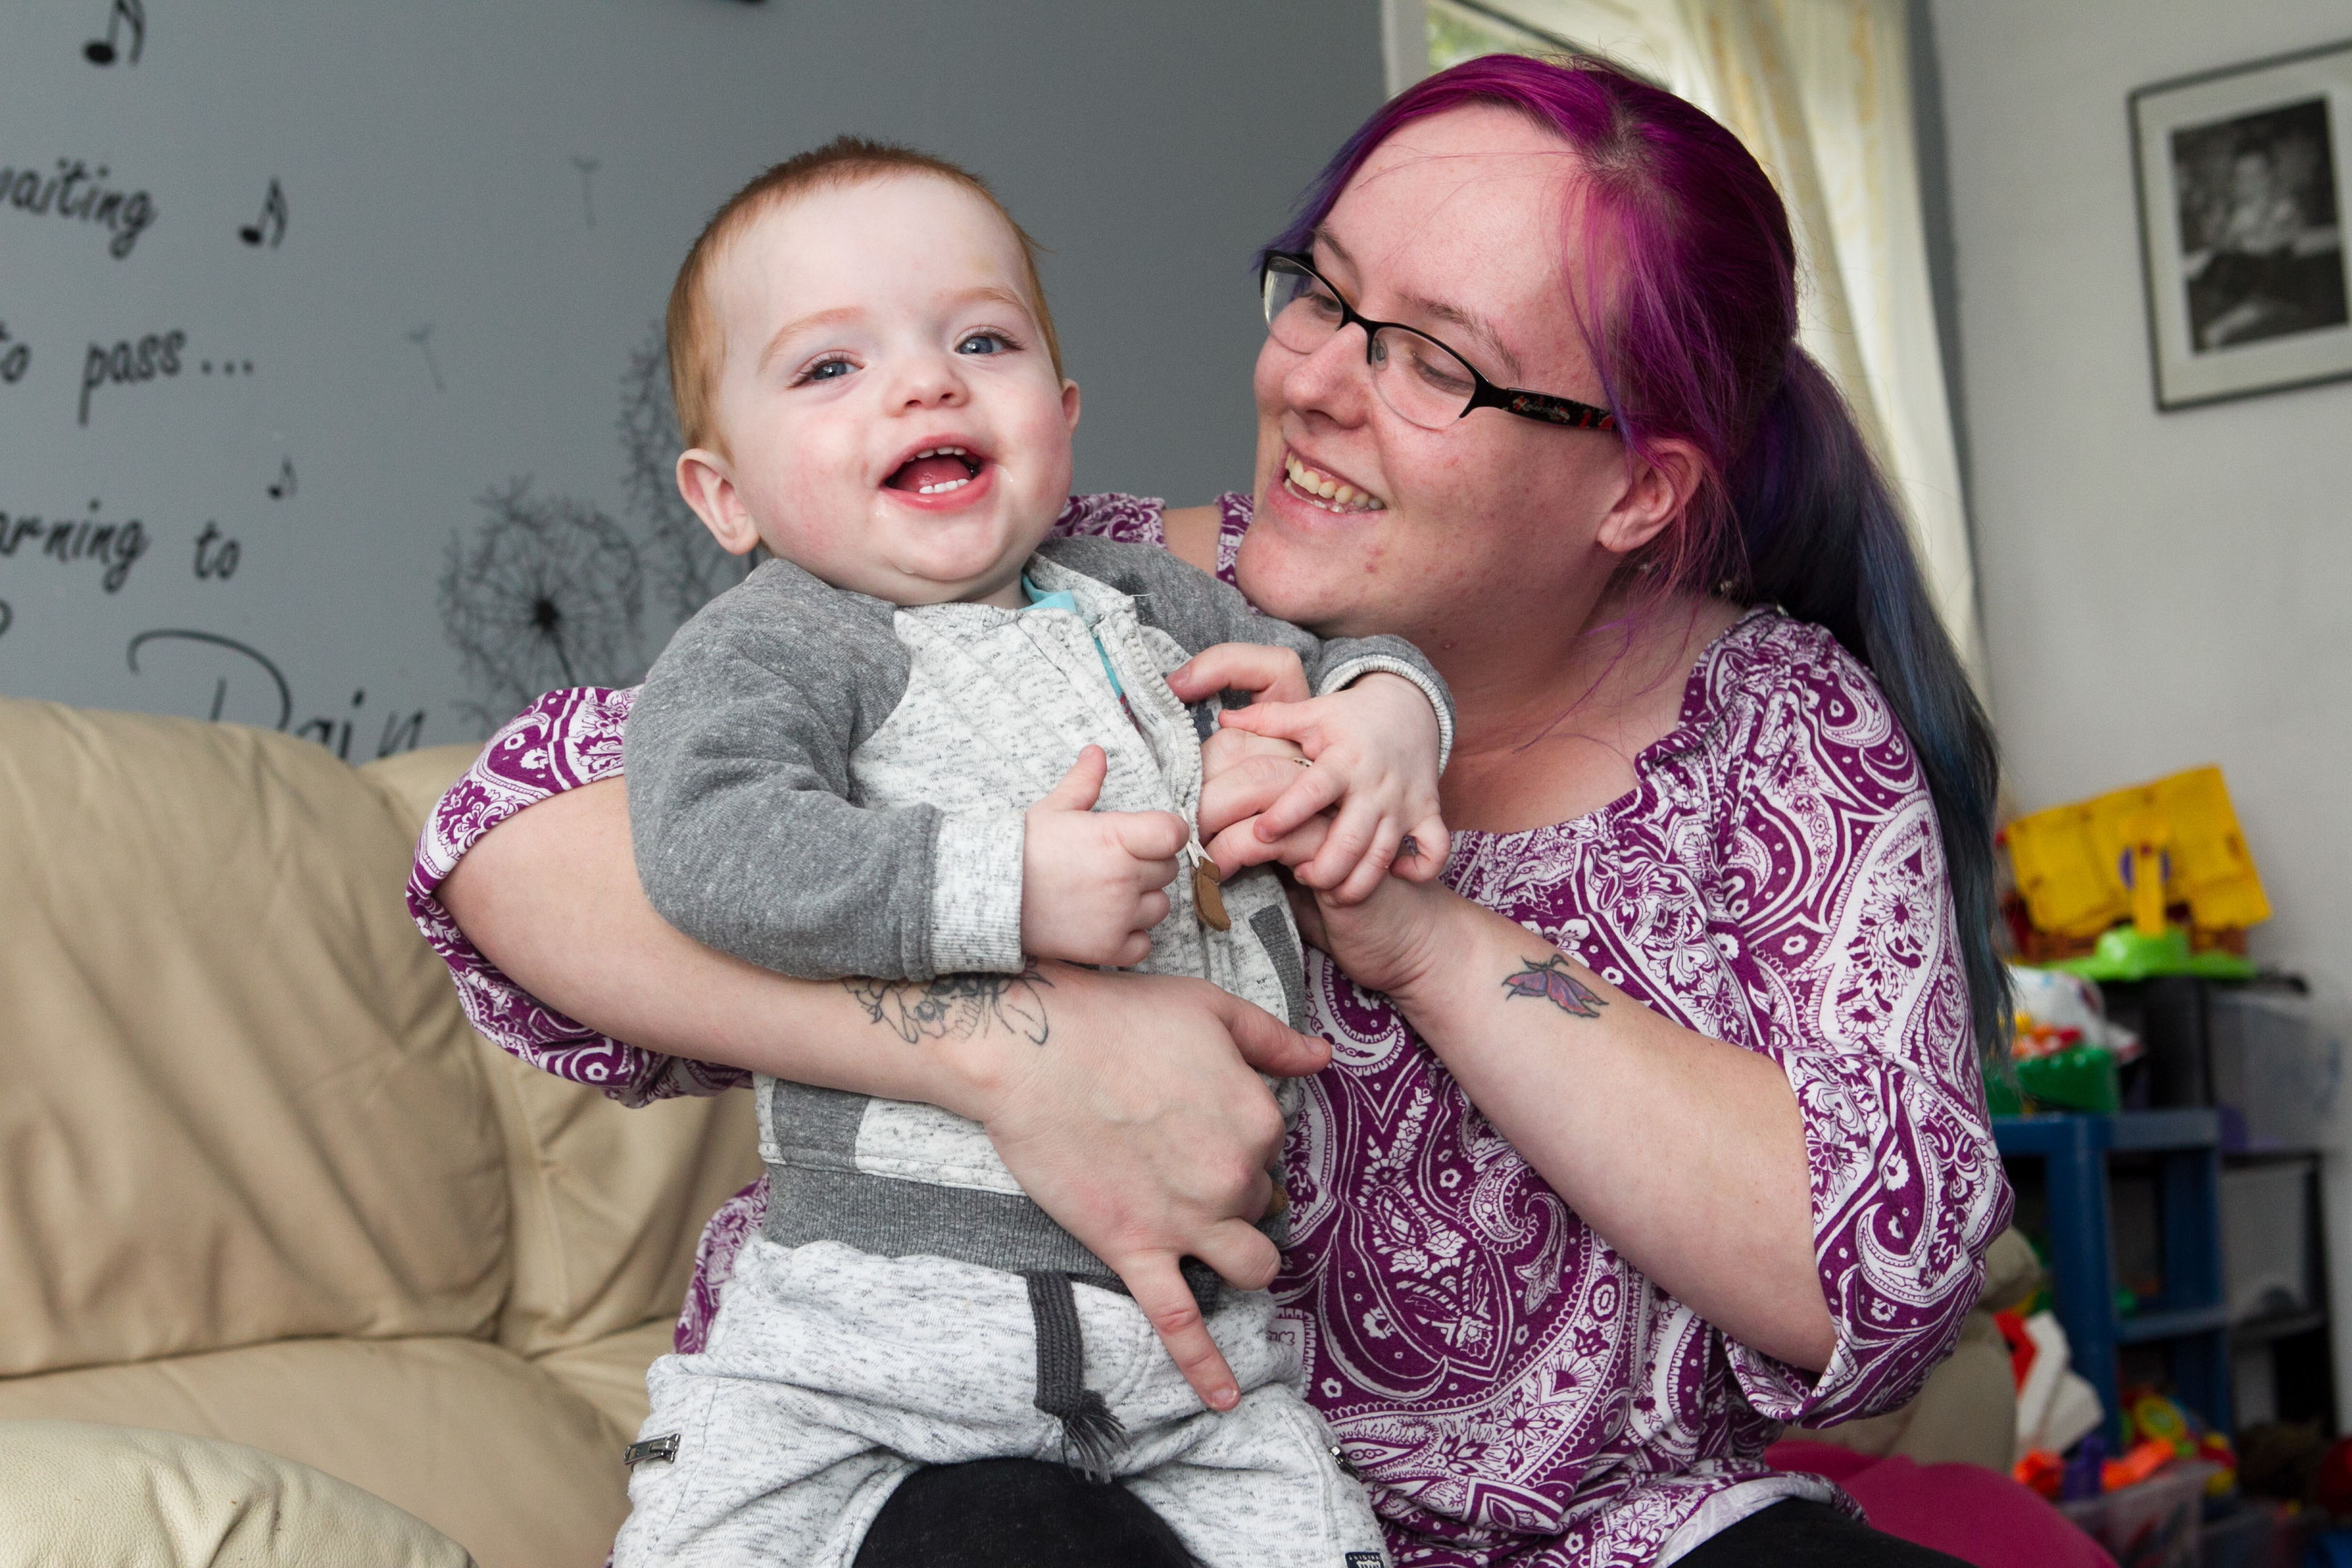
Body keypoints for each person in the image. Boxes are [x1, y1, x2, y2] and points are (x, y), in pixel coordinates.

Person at [409, 54, 2012, 1568]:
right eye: (1322, 290)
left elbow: (1879, 1269)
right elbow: (518, 839)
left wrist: (1424, 937)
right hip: (1085, 1460)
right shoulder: (1066, 595)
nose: (1312, 380)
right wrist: (1025, 1051)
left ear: (1637, 490)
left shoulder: (1778, 731)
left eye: (1435, 359)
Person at [611, 136, 1455, 1567]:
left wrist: (1387, 716)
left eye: (980, 341)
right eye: (829, 368)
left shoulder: (1151, 602)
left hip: (1196, 1366)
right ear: (726, 497)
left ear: (1061, 420)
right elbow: (712, 843)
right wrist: (1000, 881)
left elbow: (1333, 659)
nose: (925, 384)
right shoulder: (778, 648)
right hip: (862, 1357)